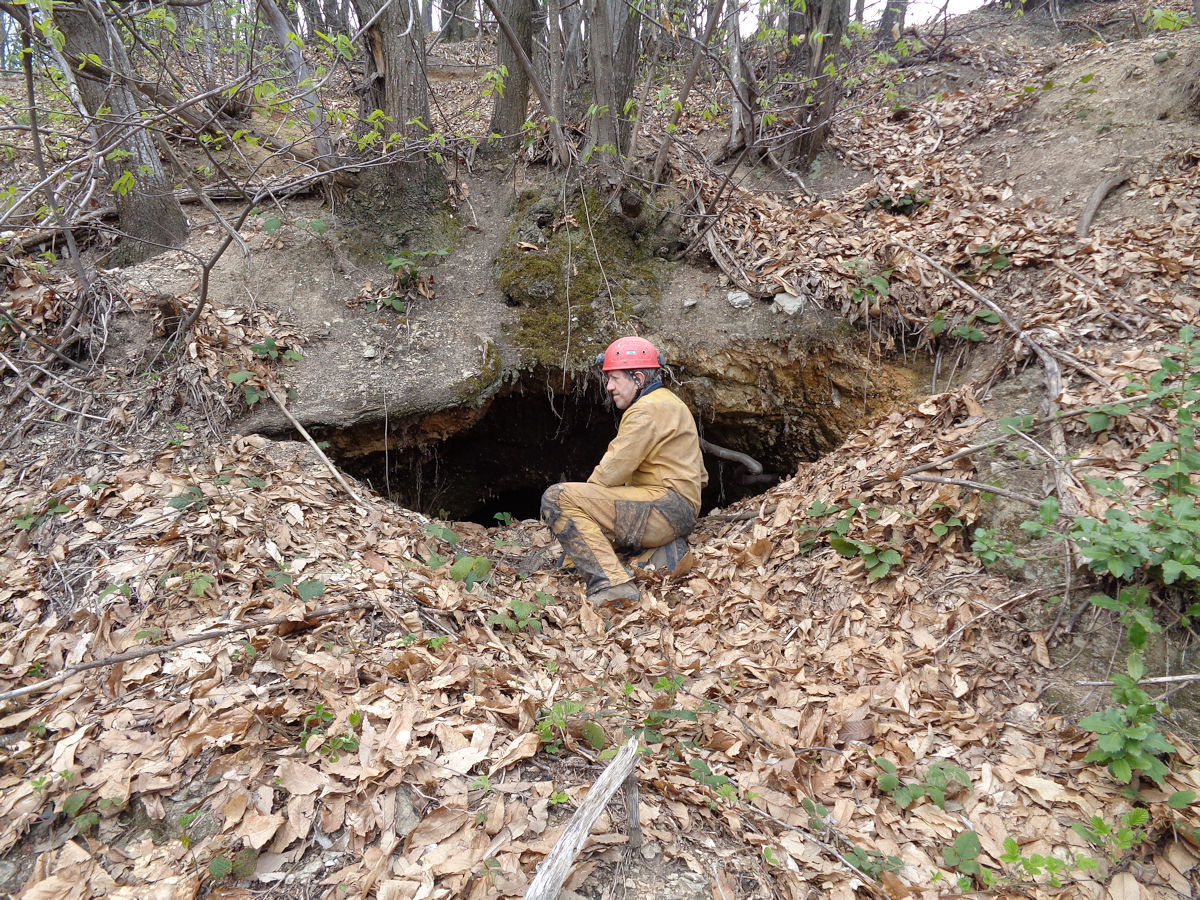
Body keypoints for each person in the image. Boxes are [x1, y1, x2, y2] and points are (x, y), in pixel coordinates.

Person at [540, 336, 709, 604]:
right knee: (572, 558)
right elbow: (702, 477)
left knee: (557, 498)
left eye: (615, 378)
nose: (609, 387)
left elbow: (610, 473)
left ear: (638, 378)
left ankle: (613, 587)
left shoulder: (645, 410)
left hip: (662, 508)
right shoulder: (672, 403)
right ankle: (660, 553)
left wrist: (587, 508)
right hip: (679, 513)